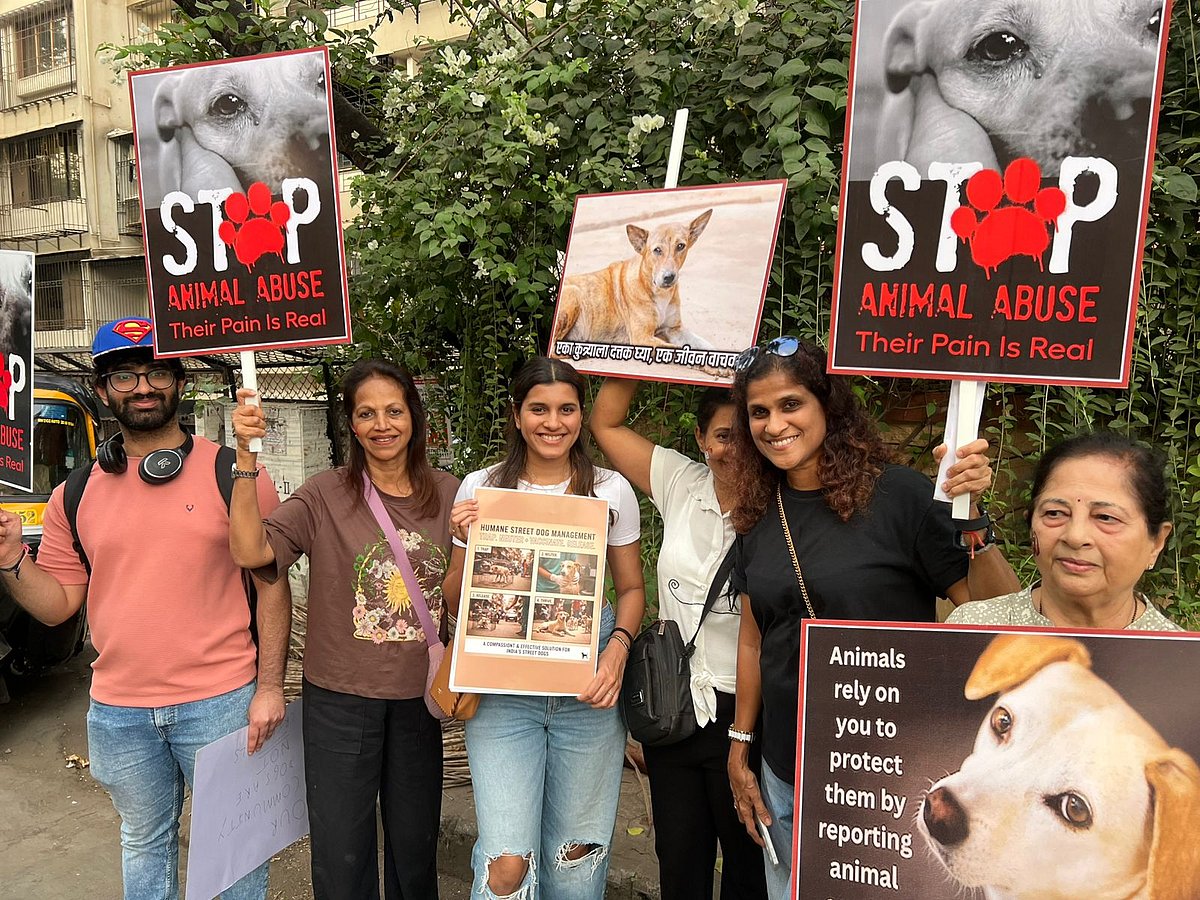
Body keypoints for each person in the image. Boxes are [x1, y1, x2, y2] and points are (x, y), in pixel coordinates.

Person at [0, 317, 291, 900]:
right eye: (125, 374)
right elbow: (58, 607)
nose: (142, 386)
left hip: (222, 701)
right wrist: (11, 559)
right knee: (143, 842)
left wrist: (269, 687)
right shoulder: (72, 493)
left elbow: (272, 587)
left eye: (156, 370)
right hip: (119, 712)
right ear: (104, 389)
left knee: (233, 855)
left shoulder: (235, 474)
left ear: (177, 381)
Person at [722, 336, 1019, 899]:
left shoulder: (902, 497)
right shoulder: (758, 511)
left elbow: (998, 613)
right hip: (786, 768)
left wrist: (973, 517)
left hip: (886, 771)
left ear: (827, 407)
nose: (774, 424)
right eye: (758, 412)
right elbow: (755, 638)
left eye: (790, 404)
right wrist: (742, 746)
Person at [227, 359, 459, 900]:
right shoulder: (324, 494)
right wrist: (244, 459)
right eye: (367, 413)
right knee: (341, 852)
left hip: (419, 700)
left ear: (414, 417)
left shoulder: (451, 495)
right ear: (351, 425)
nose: (383, 424)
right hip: (338, 700)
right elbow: (250, 551)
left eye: (394, 411)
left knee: (414, 849)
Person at [444, 357, 646, 900]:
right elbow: (454, 599)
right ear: (516, 414)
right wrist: (467, 540)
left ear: (581, 415)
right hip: (504, 693)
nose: (552, 422)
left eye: (566, 409)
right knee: (506, 863)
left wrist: (617, 653)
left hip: (588, 691)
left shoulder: (611, 490)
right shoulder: (481, 486)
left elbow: (630, 591)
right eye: (538, 408)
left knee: (575, 860)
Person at [591, 376, 766, 900]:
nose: (730, 448)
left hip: (749, 715)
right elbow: (605, 422)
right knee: (680, 862)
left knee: (748, 863)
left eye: (743, 434)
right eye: (720, 435)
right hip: (676, 707)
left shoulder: (784, 503)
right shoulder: (680, 482)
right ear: (700, 438)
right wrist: (644, 347)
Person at [947, 431, 1183, 631]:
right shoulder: (973, 629)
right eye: (1055, 513)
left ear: (1157, 542)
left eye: (1105, 517)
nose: (1075, 537)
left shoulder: (1182, 662)